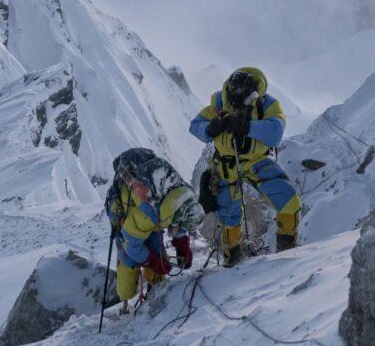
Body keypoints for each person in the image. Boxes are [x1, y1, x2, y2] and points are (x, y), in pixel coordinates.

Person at [189, 67, 301, 264]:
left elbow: (275, 133)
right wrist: (211, 127)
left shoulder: (267, 104)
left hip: (256, 161)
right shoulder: (218, 103)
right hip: (225, 165)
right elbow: (195, 126)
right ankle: (233, 259)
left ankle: (287, 250)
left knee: (288, 199)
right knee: (228, 214)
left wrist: (247, 127)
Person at [105, 147, 204, 303]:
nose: (183, 229)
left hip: (149, 213)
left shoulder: (184, 196)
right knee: (128, 261)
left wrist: (182, 245)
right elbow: (131, 244)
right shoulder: (151, 213)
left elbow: (179, 219)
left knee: (156, 249)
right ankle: (125, 301)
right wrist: (152, 260)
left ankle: (154, 290)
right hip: (125, 214)